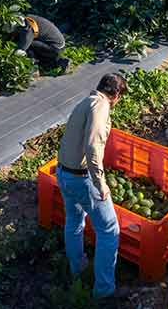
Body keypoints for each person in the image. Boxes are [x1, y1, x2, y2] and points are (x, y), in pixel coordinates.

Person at [56, 73, 128, 302]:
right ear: (115, 95)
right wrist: (101, 183)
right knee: (109, 230)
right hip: (82, 178)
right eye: (119, 98)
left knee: (74, 222)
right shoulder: (100, 106)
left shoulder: (86, 101)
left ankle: (77, 270)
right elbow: (92, 146)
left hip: (64, 173)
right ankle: (104, 291)